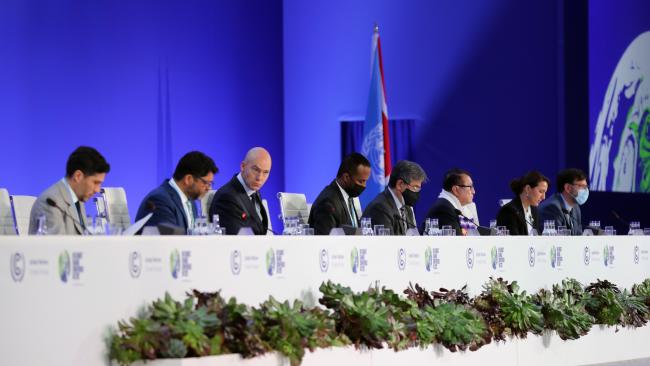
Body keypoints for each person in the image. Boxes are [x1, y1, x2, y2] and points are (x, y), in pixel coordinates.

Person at [29, 146, 110, 235]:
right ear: (78, 176)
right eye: (95, 182)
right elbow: (57, 247)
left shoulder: (78, 198)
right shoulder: (50, 203)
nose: (97, 190)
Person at [135, 151, 217, 233]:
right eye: (206, 183)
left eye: (210, 184)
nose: (209, 188)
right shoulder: (160, 200)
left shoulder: (191, 202)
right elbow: (167, 241)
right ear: (188, 179)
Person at [209, 147, 271, 235]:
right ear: (243, 166)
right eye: (256, 169)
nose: (260, 178)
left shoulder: (253, 192)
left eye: (265, 172)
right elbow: (238, 238)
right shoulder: (226, 198)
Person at [308, 153, 371, 235]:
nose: (364, 186)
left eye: (365, 181)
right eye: (360, 181)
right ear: (346, 177)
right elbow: (325, 241)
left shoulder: (348, 197)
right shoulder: (328, 203)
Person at [361, 160, 427, 235]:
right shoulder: (380, 208)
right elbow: (388, 244)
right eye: (415, 187)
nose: (417, 192)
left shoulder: (407, 207)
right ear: (400, 184)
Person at [423, 168, 475, 235]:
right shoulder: (444, 209)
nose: (473, 192)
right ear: (456, 190)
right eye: (470, 187)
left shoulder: (455, 208)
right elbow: (457, 241)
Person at [496, 171, 550, 235]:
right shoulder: (509, 211)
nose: (543, 197)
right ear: (527, 189)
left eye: (545, 192)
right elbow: (513, 242)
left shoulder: (534, 210)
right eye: (541, 191)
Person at [539, 168, 588, 235]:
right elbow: (555, 241)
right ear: (567, 188)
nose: (585, 190)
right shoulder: (551, 208)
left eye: (586, 186)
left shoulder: (576, 208)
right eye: (581, 186)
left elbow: (578, 237)